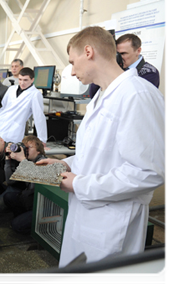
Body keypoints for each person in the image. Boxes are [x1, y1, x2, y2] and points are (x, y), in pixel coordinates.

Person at [37, 26, 168, 267]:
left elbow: (150, 172)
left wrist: (78, 183)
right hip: (87, 216)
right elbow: (98, 153)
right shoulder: (101, 95)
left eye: (73, 62)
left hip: (112, 225)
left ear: (88, 51)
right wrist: (66, 163)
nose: (72, 71)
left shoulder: (138, 95)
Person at [89, 33, 160, 97]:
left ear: (138, 51)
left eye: (123, 53)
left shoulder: (150, 73)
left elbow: (130, 96)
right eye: (117, 54)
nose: (119, 57)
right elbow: (93, 94)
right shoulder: (117, 67)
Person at [0, 67, 47, 144]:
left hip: (14, 130)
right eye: (20, 79)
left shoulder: (35, 94)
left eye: (25, 80)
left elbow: (39, 117)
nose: (22, 83)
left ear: (32, 80)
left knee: (11, 152)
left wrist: (42, 139)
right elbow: (4, 105)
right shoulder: (11, 89)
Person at [3, 135, 46, 234]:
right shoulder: (28, 162)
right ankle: (23, 218)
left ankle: (38, 229)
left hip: (40, 206)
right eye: (24, 147)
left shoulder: (43, 162)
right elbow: (10, 181)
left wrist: (23, 160)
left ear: (38, 150)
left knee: (16, 225)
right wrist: (7, 160)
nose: (25, 150)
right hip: (29, 201)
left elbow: (34, 185)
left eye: (29, 147)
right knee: (8, 197)